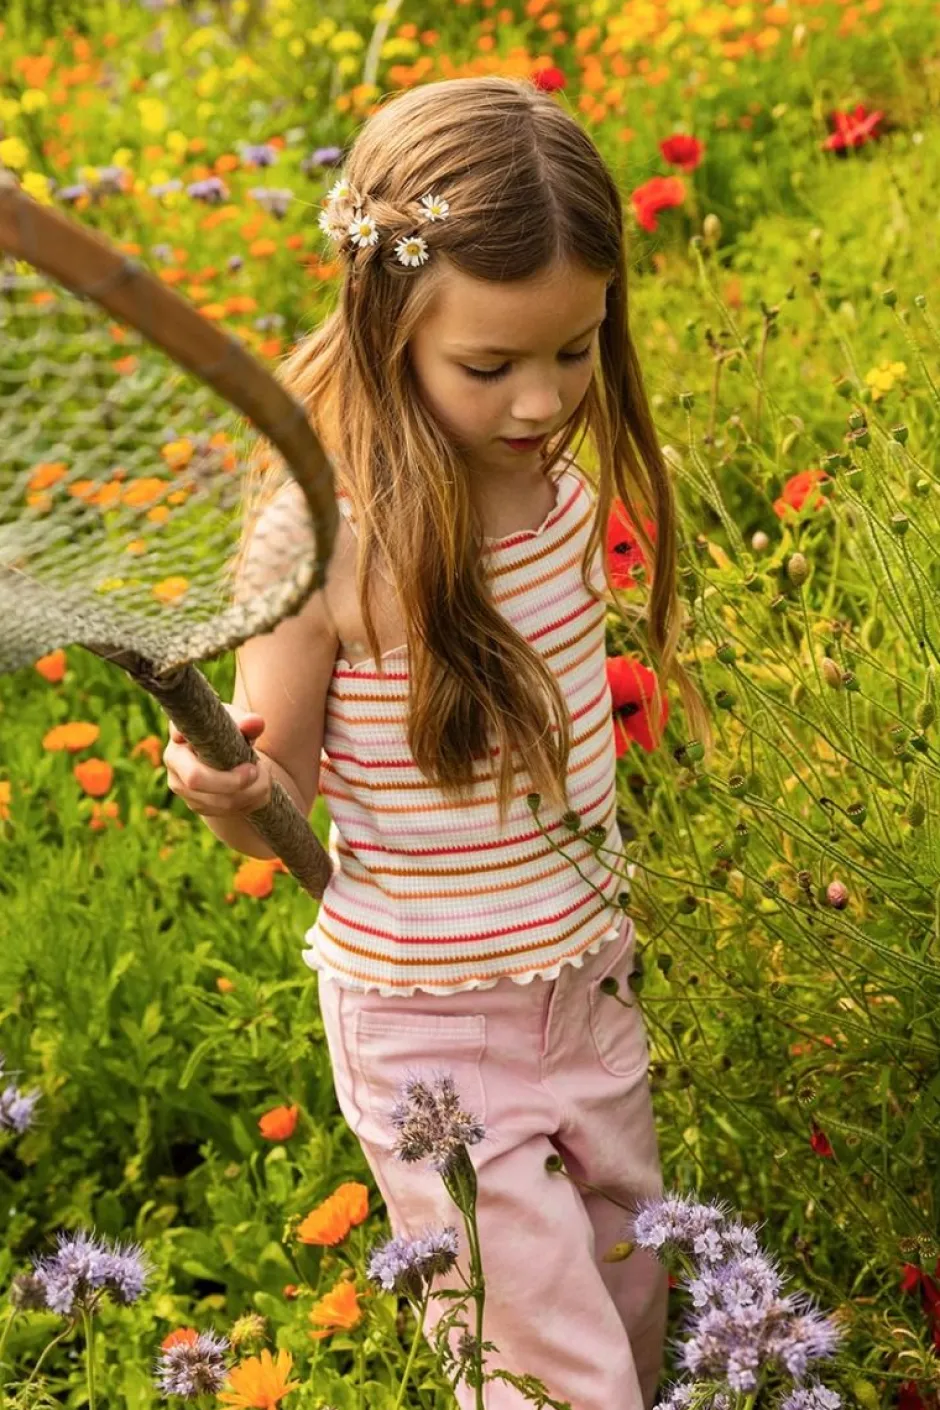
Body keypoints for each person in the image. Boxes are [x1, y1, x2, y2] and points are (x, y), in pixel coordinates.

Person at [164, 74, 710, 1410]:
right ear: (386, 317)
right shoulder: (326, 531)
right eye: (491, 364)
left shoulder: (558, 483)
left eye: (574, 349)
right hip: (430, 1026)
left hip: (586, 974)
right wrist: (231, 787)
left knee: (635, 1298)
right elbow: (275, 784)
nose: (541, 398)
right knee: (548, 1369)